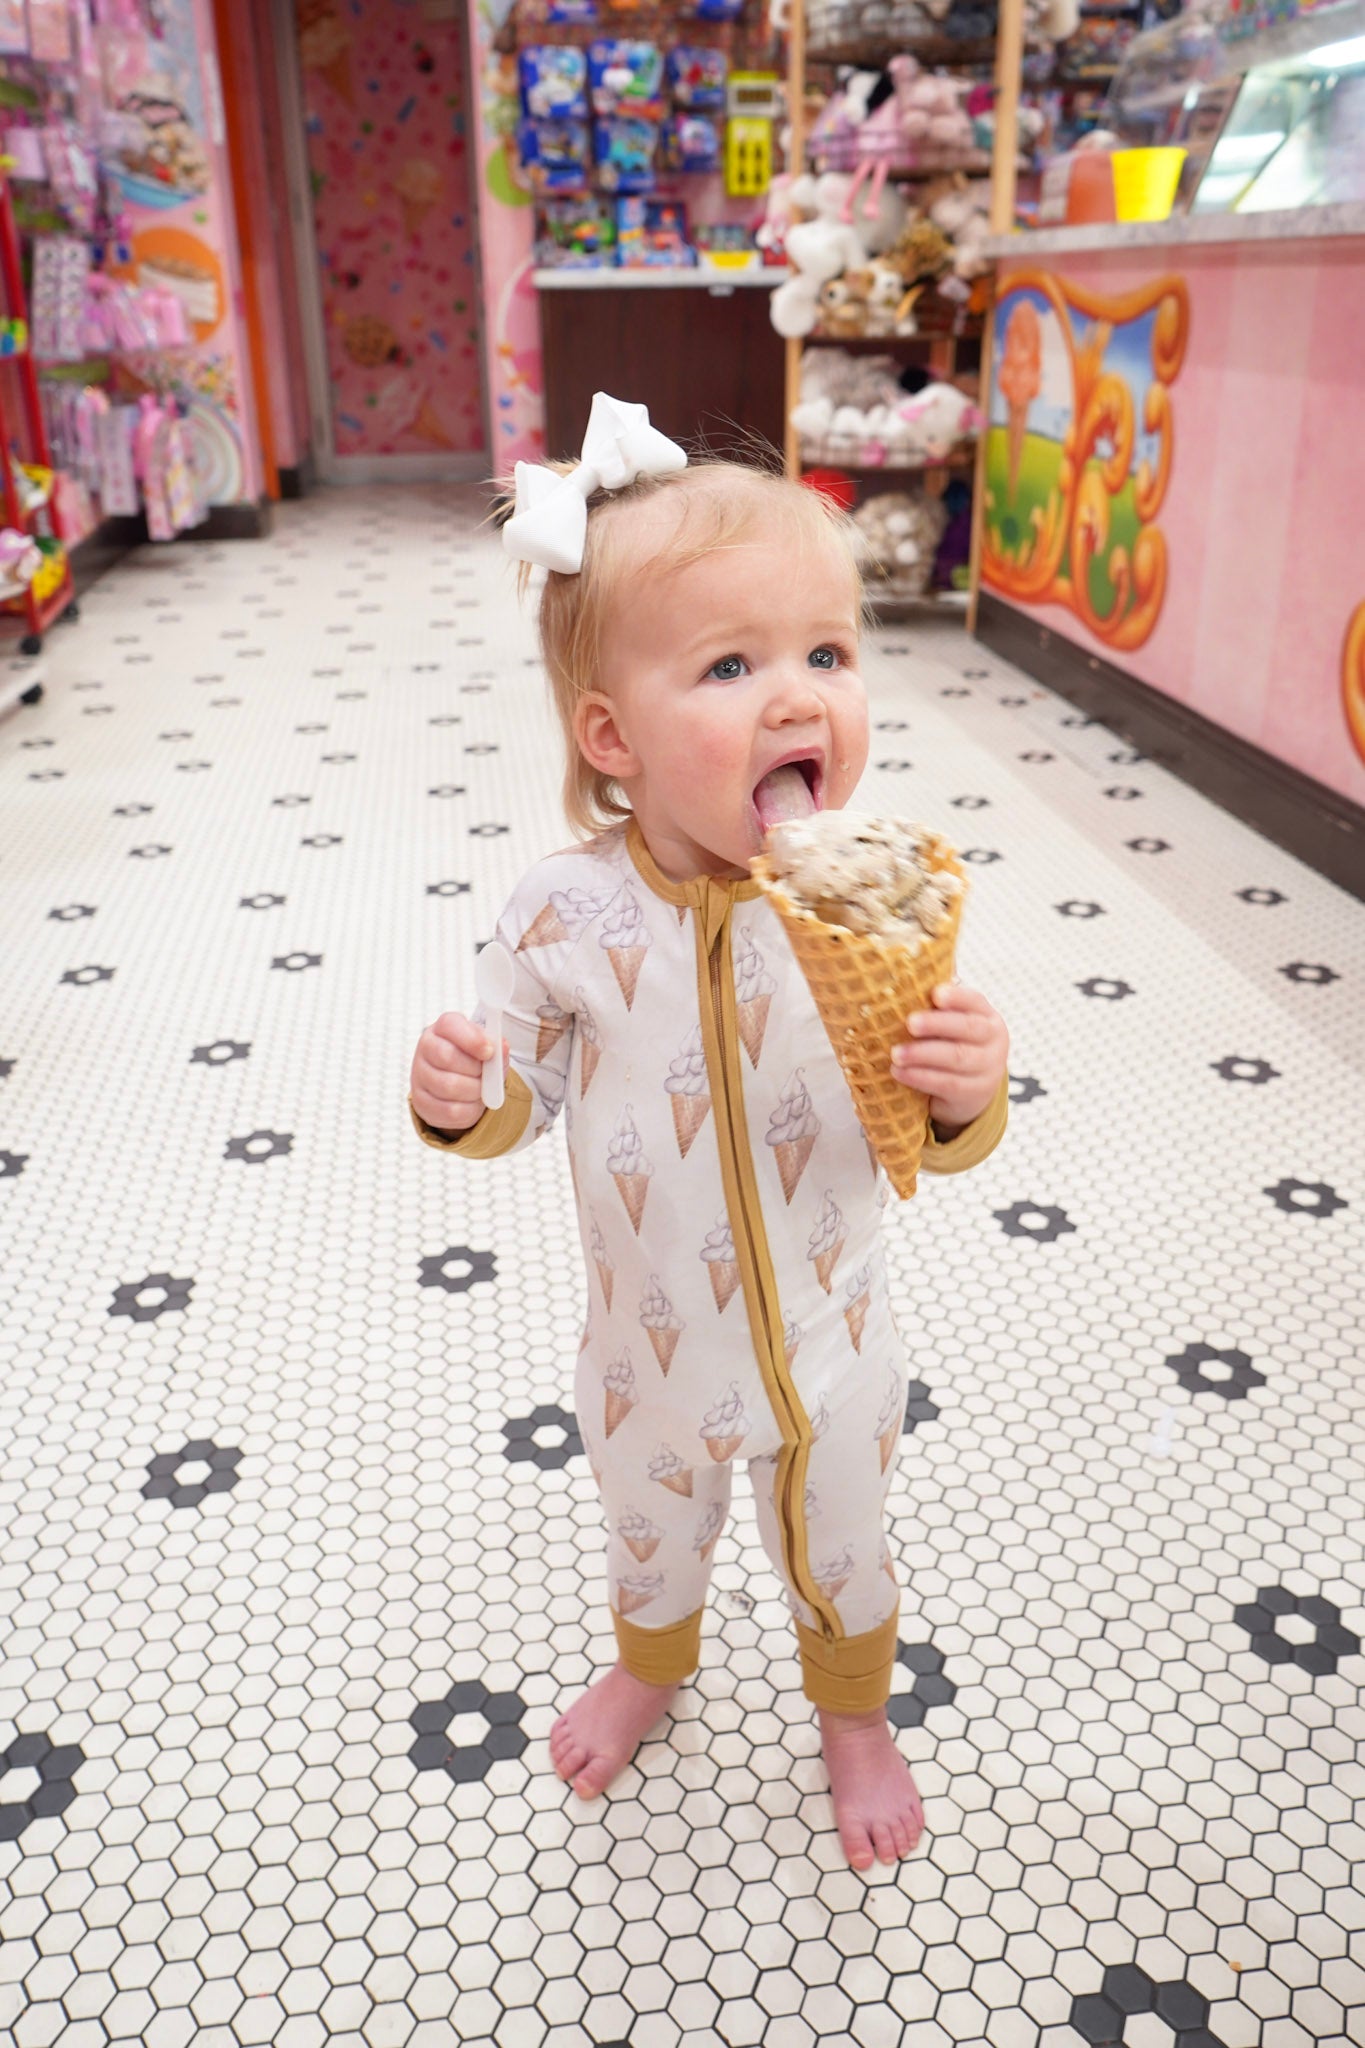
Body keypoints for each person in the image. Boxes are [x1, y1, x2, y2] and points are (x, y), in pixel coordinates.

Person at [408, 396, 1009, 1871]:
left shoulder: (869, 900)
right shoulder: (564, 915)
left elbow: (929, 1131)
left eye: (827, 656)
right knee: (648, 1530)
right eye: (732, 667)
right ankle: (651, 1666)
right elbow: (523, 1091)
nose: (799, 700)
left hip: (833, 1346)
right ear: (611, 735)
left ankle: (854, 1717)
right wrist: (464, 1097)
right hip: (647, 1354)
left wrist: (965, 1087)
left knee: (844, 1549)